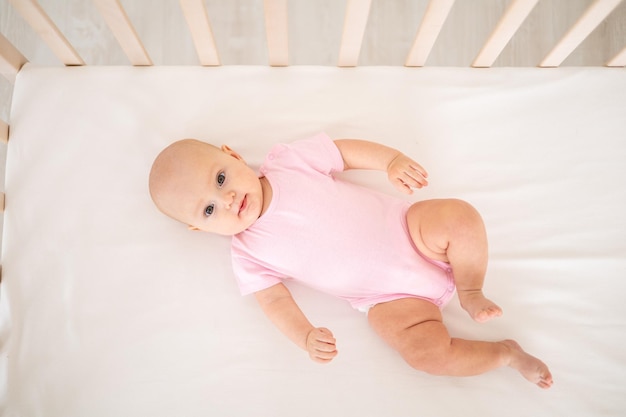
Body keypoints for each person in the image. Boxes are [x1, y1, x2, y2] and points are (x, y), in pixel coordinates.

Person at [149, 132, 553, 389]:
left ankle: (470, 288)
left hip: (411, 233)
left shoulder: (287, 163)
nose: (228, 200)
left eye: (220, 179)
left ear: (232, 154)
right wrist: (304, 335)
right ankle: (505, 354)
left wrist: (390, 160)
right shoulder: (248, 253)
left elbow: (341, 152)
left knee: (459, 217)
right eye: (208, 210)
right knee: (422, 355)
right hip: (388, 300)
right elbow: (275, 303)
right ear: (201, 231)